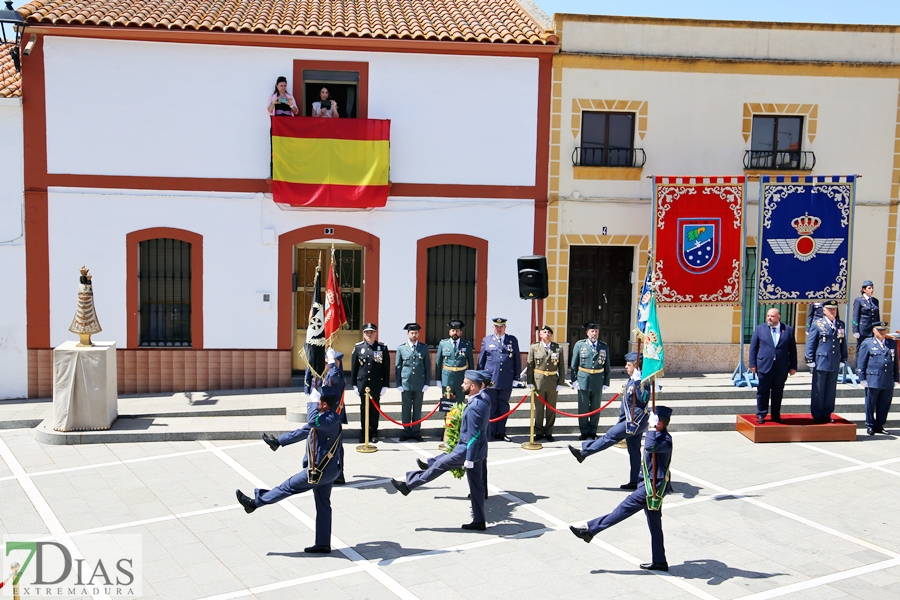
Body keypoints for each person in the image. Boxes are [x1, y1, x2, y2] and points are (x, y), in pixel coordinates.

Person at [238, 386, 342, 554]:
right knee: (323, 505)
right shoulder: (326, 418)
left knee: (287, 487)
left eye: (319, 402)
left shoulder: (326, 420)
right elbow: (303, 432)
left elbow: (311, 421)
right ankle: (323, 543)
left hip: (319, 472)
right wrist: (279, 441)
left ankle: (254, 504)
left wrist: (313, 403)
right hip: (328, 470)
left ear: (323, 403)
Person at [569, 406, 674, 572]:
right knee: (655, 525)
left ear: (660, 423)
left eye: (653, 420)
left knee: (622, 509)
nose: (648, 422)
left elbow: (649, 447)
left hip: (652, 487)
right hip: (647, 483)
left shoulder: (664, 440)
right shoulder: (658, 435)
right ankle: (660, 561)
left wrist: (652, 429)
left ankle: (591, 530)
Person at [391, 369, 492, 531]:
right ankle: (479, 521)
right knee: (477, 486)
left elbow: (473, 435)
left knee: (438, 467)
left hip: (465, 450)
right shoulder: (482, 399)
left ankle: (408, 485)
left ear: (473, 386)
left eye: (465, 383)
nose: (462, 385)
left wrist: (469, 459)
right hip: (478, 450)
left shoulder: (474, 406)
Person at [568, 352, 649, 489]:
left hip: (635, 422)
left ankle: (583, 453)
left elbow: (642, 400)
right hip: (630, 419)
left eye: (629, 365)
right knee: (634, 451)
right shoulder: (633, 379)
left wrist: (636, 382)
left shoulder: (642, 381)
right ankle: (635, 480)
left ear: (636, 367)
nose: (625, 367)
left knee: (610, 436)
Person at [749, 308, 798, 424]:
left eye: (772, 316)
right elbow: (753, 348)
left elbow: (793, 350)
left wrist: (793, 366)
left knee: (778, 392)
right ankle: (761, 414)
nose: (769, 318)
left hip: (781, 367)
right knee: (763, 391)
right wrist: (752, 364)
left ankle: (776, 415)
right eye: (768, 316)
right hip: (764, 366)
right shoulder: (760, 329)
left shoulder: (788, 330)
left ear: (778, 317)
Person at [478, 318, 521, 441]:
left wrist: (516, 377)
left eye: (501, 327)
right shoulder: (487, 340)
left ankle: (501, 432)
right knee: (491, 407)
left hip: (506, 379)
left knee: (503, 407)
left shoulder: (512, 340)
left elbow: (517, 359)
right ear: (493, 327)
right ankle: (490, 433)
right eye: (496, 326)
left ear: (505, 328)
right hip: (490, 379)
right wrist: (480, 378)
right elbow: (481, 361)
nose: (499, 329)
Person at [805, 299, 848, 424]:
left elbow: (842, 342)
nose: (832, 311)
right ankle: (817, 414)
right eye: (830, 309)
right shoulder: (817, 324)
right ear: (824, 311)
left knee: (830, 390)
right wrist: (809, 358)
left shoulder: (840, 324)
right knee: (819, 390)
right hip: (821, 361)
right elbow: (811, 343)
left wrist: (843, 358)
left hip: (834, 361)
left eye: (834, 309)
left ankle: (827, 413)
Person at [856, 321, 899, 435]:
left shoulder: (891, 343)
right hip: (873, 378)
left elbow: (895, 362)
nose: (882, 332)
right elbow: (861, 361)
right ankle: (870, 425)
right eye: (879, 330)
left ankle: (879, 425)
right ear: (874, 330)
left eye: (884, 330)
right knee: (871, 403)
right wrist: (862, 378)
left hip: (888, 379)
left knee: (885, 404)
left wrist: (896, 378)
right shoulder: (868, 343)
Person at [570, 322, 610, 440]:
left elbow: (607, 366)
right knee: (583, 407)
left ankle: (593, 431)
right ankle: (584, 431)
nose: (594, 333)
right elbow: (574, 364)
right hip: (583, 380)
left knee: (595, 407)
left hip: (598, 380)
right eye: (592, 331)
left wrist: (606, 382)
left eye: (596, 331)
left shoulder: (604, 346)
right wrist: (574, 380)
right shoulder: (579, 345)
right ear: (587, 333)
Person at [351, 323, 390, 443]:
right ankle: (364, 432)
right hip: (362, 383)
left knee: (374, 409)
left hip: (376, 383)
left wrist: (385, 384)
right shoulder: (358, 347)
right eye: (367, 332)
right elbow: (354, 367)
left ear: (375, 333)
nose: (369, 334)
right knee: (364, 408)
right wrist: (354, 384)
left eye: (371, 332)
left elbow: (386, 368)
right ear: (363, 334)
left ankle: (373, 432)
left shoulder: (381, 348)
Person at [526, 325, 566, 441]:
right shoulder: (534, 347)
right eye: (544, 332)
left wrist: (561, 382)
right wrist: (529, 382)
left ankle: (549, 432)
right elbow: (530, 365)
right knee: (538, 409)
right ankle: (538, 432)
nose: (547, 334)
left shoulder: (557, 348)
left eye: (549, 332)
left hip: (552, 382)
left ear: (551, 335)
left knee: (551, 409)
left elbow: (561, 367)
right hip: (538, 381)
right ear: (540, 335)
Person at [395, 323, 431, 441]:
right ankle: (405, 431)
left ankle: (416, 431)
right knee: (406, 408)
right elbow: (398, 367)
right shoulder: (401, 348)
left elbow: (427, 366)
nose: (414, 335)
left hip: (419, 383)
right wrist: (399, 384)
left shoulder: (424, 348)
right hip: (405, 383)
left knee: (417, 408)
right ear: (408, 334)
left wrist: (427, 383)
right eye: (412, 333)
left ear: (418, 334)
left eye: (416, 333)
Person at [322, 348, 348, 484]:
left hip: (334, 416)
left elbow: (335, 378)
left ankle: (339, 474)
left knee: (336, 446)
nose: (326, 365)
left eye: (329, 362)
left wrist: (332, 362)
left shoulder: (337, 376)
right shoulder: (328, 376)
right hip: (328, 416)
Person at [435, 319, 475, 404]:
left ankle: (459, 418)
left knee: (460, 403)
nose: (455, 333)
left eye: (457, 331)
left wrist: (470, 379)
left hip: (461, 378)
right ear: (449, 332)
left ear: (461, 332)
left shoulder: (467, 345)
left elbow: (471, 363)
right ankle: (447, 418)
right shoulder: (443, 344)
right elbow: (438, 363)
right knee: (447, 403)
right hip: (447, 378)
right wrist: (438, 379)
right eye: (453, 331)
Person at [852, 280, 880, 352]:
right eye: (869, 288)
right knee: (861, 350)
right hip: (863, 330)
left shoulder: (875, 301)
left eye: (872, 288)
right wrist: (855, 330)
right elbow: (855, 316)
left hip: (873, 330)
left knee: (872, 350)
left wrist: (879, 328)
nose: (871, 290)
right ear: (864, 289)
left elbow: (877, 316)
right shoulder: (859, 300)